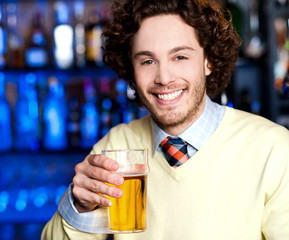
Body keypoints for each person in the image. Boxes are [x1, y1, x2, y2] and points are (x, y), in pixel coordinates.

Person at [41, 0, 289, 239]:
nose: (164, 77)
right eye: (148, 61)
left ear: (208, 61)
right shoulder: (115, 147)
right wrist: (79, 206)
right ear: (132, 71)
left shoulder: (274, 149)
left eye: (180, 57)